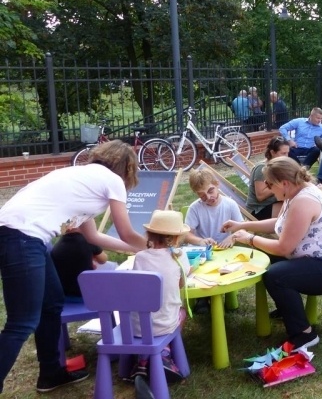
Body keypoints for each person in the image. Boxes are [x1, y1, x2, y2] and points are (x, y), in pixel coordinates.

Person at [0, 140, 147, 394]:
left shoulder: (83, 179)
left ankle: (50, 374)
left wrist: (137, 249)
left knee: (52, 303)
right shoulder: (112, 180)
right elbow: (126, 232)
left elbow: (94, 238)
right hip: (22, 237)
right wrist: (156, 248)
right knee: (22, 322)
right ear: (127, 169)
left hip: (21, 235)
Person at [222, 157, 322, 351]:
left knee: (276, 276)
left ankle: (305, 334)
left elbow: (283, 248)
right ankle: (287, 306)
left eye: (269, 184)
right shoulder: (294, 193)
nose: (268, 188)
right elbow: (279, 224)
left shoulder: (303, 201)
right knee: (268, 257)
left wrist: (249, 239)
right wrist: (243, 225)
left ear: (284, 183)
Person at [128, 209, 191, 382]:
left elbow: (138, 285)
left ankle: (141, 361)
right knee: (182, 312)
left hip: (136, 327)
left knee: (147, 313)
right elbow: (181, 283)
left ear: (149, 235)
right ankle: (165, 353)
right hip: (164, 324)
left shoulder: (140, 257)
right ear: (177, 238)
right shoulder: (179, 256)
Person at [184, 170, 242, 248]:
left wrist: (233, 237)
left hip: (223, 247)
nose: (208, 197)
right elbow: (186, 235)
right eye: (202, 195)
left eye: (210, 191)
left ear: (217, 184)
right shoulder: (194, 208)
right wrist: (200, 241)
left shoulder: (230, 204)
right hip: (201, 250)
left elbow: (242, 228)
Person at [50, 229, 110, 300]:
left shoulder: (57, 246)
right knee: (112, 267)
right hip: (84, 292)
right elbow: (103, 259)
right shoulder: (88, 241)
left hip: (64, 292)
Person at [248, 136, 290, 220]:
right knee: (294, 211)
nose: (287, 157)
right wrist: (280, 185)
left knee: (299, 203)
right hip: (259, 209)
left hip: (275, 203)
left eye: (288, 153)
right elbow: (260, 196)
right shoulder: (262, 168)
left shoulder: (279, 166)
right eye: (283, 153)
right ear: (272, 152)